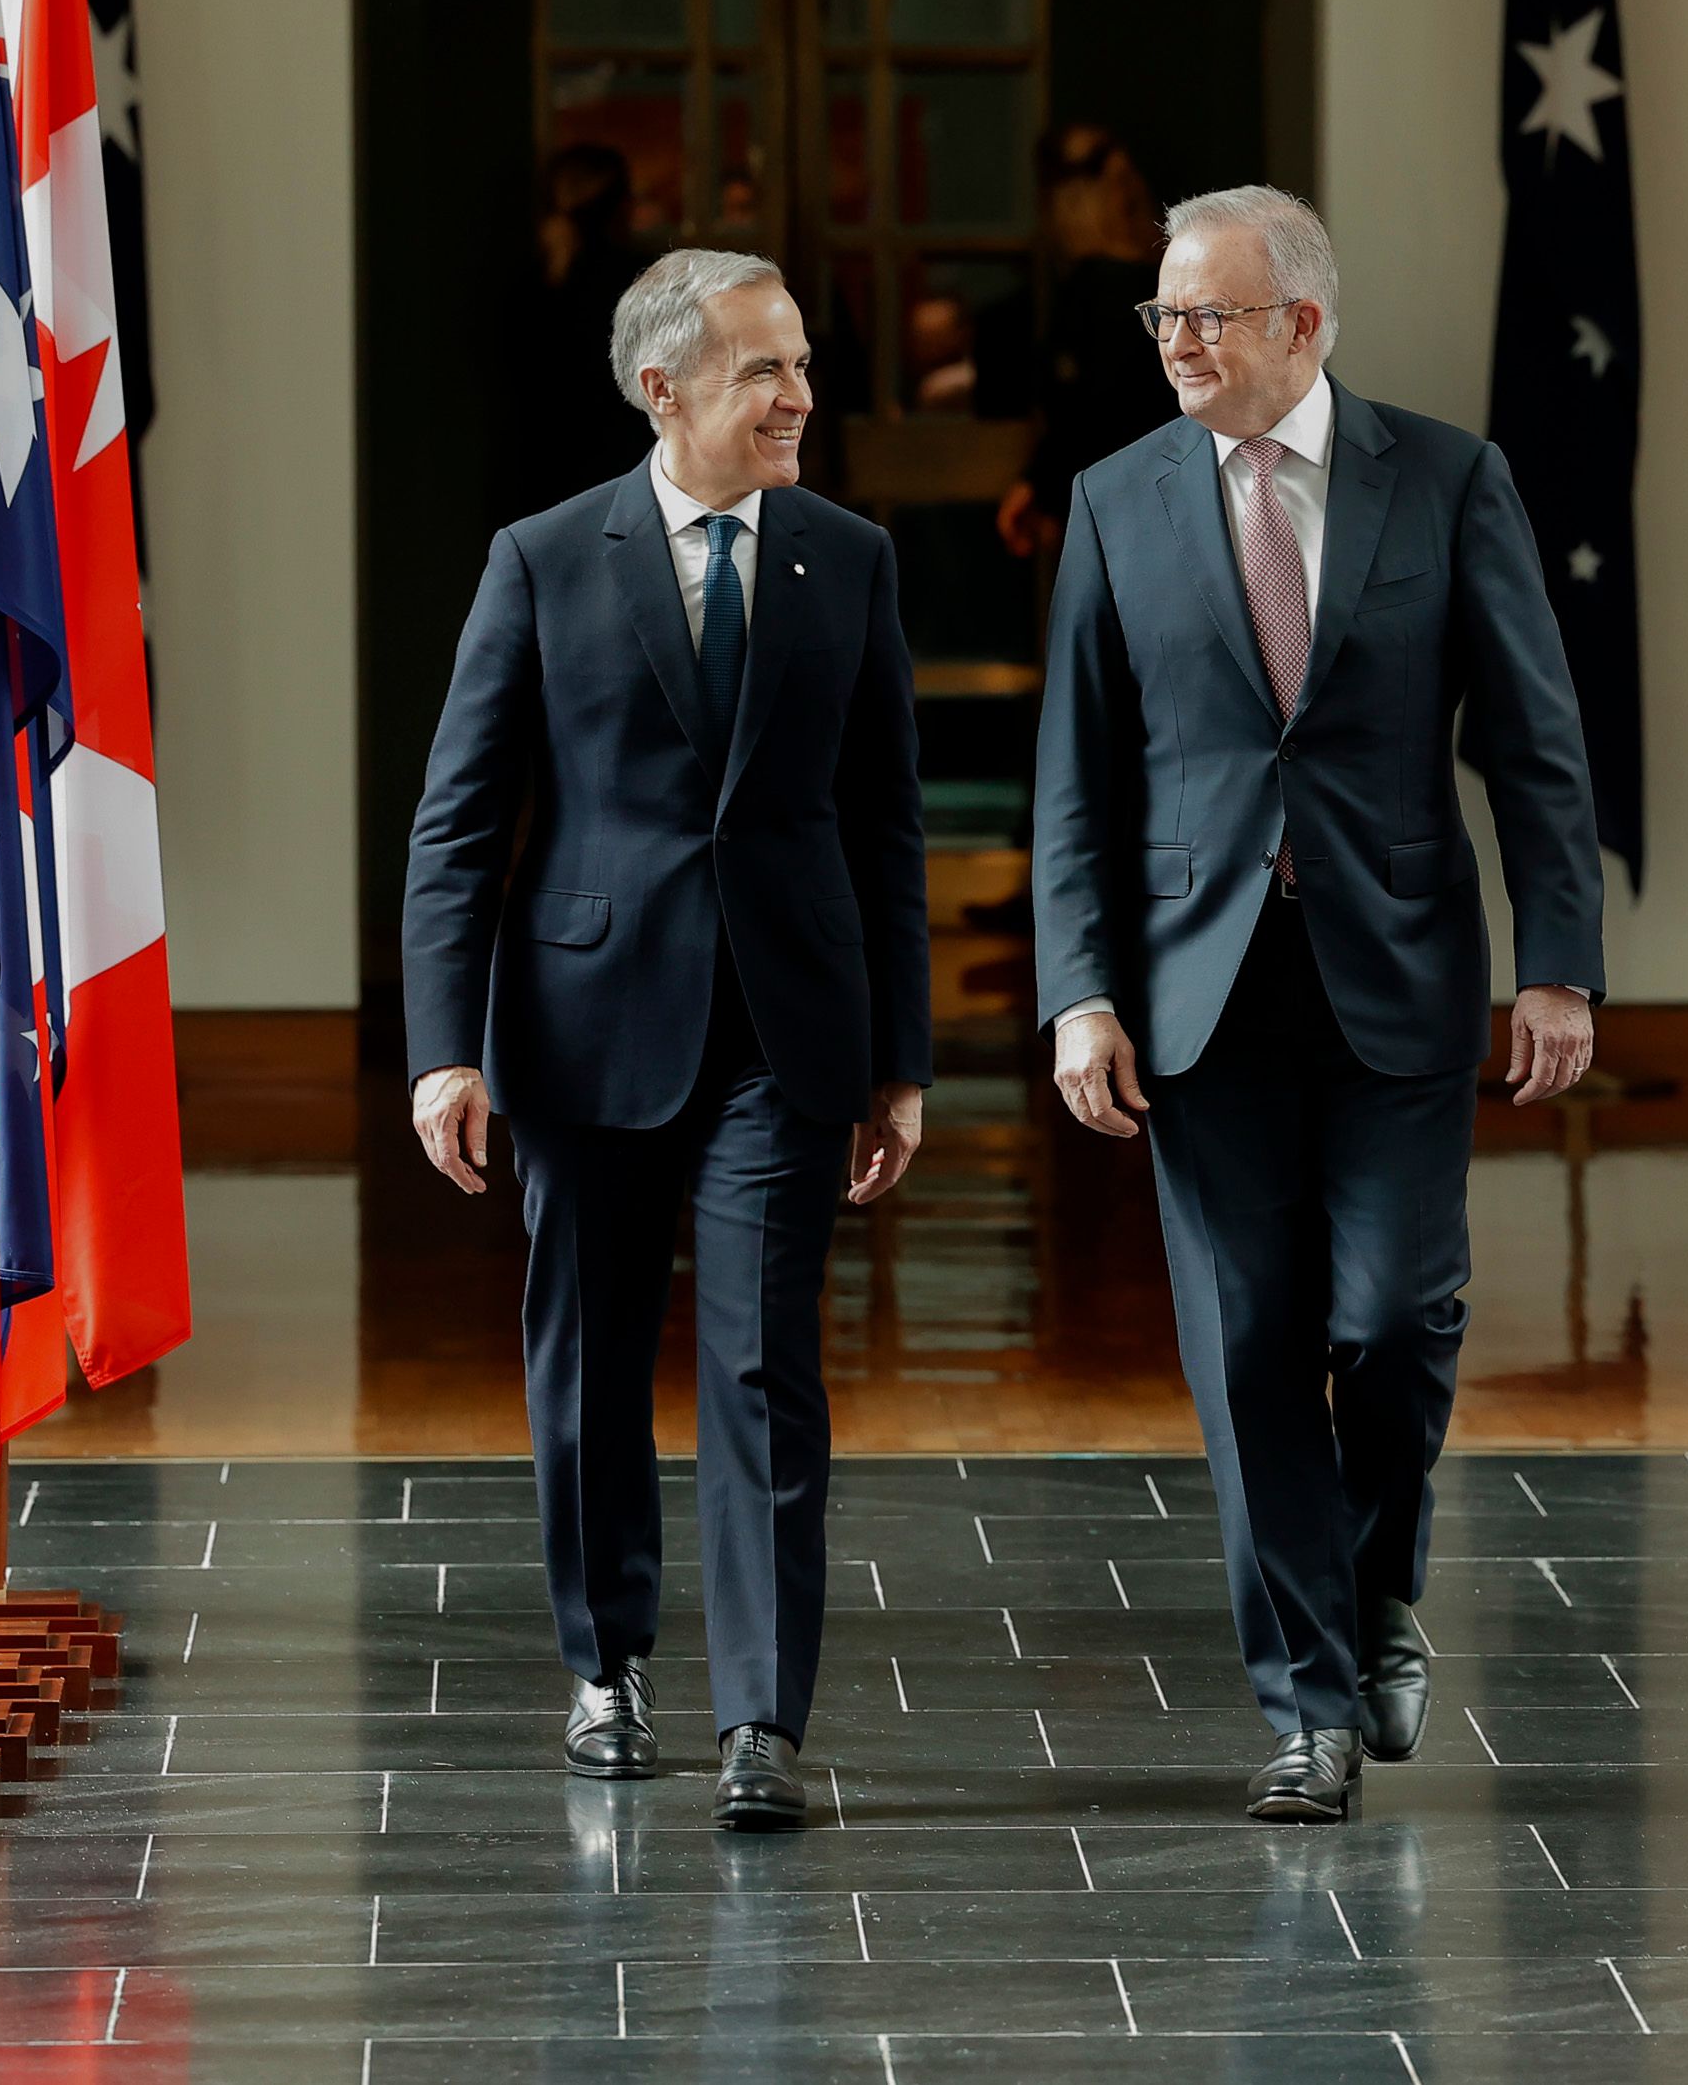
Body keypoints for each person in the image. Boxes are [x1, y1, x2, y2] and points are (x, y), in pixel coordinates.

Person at [1031, 185, 1604, 1824]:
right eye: (1160, 316)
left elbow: (1532, 736)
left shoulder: (1443, 479)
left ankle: (1376, 1580)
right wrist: (1080, 994)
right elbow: (1079, 778)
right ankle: (1308, 1706)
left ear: (1303, 322)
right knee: (1251, 1344)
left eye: (1205, 315)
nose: (1174, 344)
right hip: (1193, 994)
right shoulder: (1116, 499)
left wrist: (1553, 957)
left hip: (1399, 981)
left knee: (1394, 1315)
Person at [404, 249, 933, 1830]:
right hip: (581, 1028)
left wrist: (898, 1051)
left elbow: (883, 825)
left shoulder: (847, 559)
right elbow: (458, 824)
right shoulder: (544, 557)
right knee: (589, 1360)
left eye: (800, 365)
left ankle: (762, 1714)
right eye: (763, 370)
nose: (796, 397)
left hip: (787, 1028)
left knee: (765, 1362)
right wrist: (446, 1046)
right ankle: (607, 1662)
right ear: (664, 388)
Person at [996, 125, 1176, 559]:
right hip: (1163, 494)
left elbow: (1090, 408)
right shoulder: (1164, 281)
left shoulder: (1096, 291)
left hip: (1119, 505)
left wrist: (1041, 482)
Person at [498, 142, 661, 520]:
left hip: (539, 460)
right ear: (619, 204)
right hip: (619, 458)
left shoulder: (528, 279)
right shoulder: (635, 277)